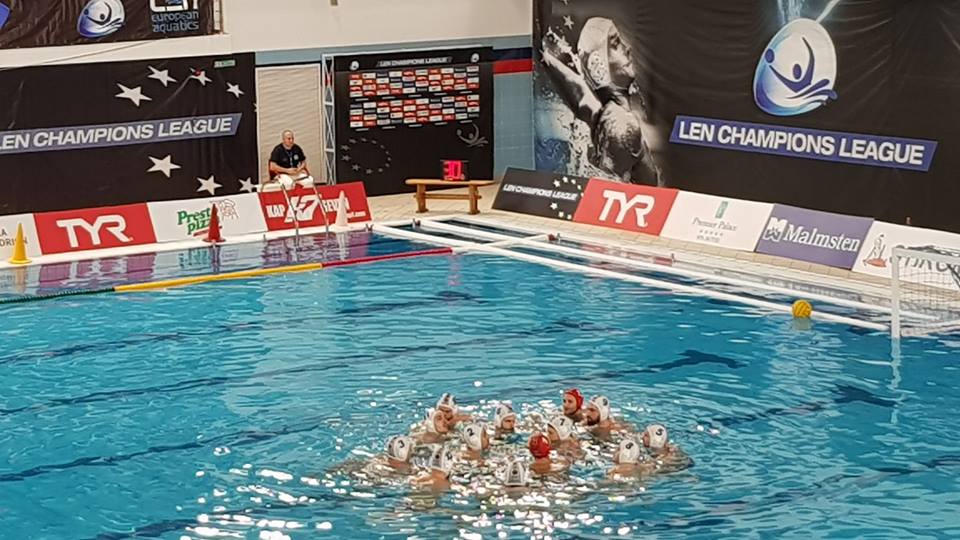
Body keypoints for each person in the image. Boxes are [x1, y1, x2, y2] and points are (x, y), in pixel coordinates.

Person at [540, 18, 662, 186]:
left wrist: (545, 56)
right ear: (598, 64)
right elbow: (608, 189)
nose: (627, 48)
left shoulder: (601, 113)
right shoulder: (622, 124)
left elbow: (577, 87)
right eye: (616, 44)